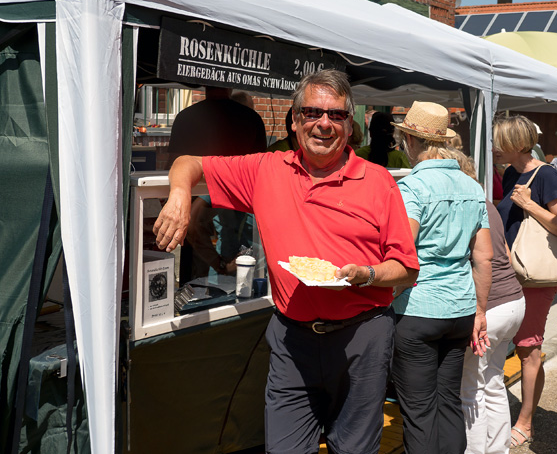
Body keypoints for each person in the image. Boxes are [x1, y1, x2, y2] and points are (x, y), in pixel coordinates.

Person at [153, 69, 420, 454]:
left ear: (349, 125)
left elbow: (407, 268)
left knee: (355, 450)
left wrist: (368, 274)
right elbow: (188, 162)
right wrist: (179, 195)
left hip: (362, 337)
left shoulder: (379, 181)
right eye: (312, 113)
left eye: (337, 115)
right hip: (292, 336)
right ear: (295, 121)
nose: (324, 124)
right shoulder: (266, 169)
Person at [390, 101, 493, 454]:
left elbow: (403, 250)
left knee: (419, 411)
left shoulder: (412, 188)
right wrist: (480, 312)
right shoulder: (472, 187)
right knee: (448, 402)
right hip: (461, 307)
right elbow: (484, 255)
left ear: (409, 140)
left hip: (418, 307)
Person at [492, 114, 557, 448]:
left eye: (499, 141)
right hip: (508, 272)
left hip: (534, 278)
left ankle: (525, 421)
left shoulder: (546, 175)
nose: (494, 147)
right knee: (510, 345)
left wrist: (530, 206)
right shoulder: (512, 172)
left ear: (516, 144)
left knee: (529, 349)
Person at [455, 154, 526, 454]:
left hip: (492, 305)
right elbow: (505, 253)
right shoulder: (487, 204)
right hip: (513, 301)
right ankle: (498, 449)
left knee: (471, 389)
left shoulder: (466, 204)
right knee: (494, 381)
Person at [165, 86, 267, 283]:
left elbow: (171, 164)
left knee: (197, 280)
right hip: (218, 211)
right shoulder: (250, 119)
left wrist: (174, 195)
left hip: (202, 212)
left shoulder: (186, 117)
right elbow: (259, 165)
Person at [164, 86, 266, 168]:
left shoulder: (185, 117)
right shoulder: (252, 118)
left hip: (197, 187)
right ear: (231, 86)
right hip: (238, 188)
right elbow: (260, 162)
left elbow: (174, 162)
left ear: (204, 84)